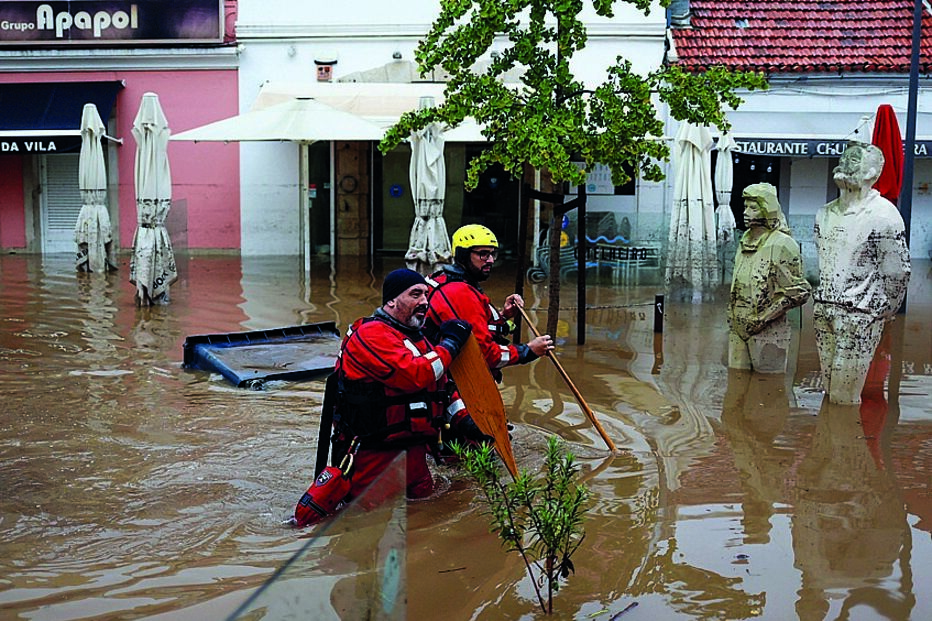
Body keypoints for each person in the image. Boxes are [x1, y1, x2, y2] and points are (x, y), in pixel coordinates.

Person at [329, 268, 487, 501]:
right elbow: (416, 375)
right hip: (374, 459)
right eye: (415, 294)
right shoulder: (370, 334)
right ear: (391, 300)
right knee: (368, 520)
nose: (424, 301)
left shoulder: (417, 338)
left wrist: (467, 422)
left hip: (414, 455)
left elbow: (442, 388)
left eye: (426, 294)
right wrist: (451, 344)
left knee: (425, 515)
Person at [813, 142, 910, 404]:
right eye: (843, 158)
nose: (844, 163)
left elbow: (897, 273)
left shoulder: (884, 216)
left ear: (871, 173)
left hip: (859, 314)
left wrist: (881, 312)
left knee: (844, 397)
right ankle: (830, 429)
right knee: (830, 391)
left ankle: (846, 430)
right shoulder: (824, 214)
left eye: (853, 160)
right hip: (824, 310)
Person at [425, 224, 553, 381]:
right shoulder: (459, 292)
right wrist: (528, 350)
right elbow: (485, 354)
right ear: (463, 255)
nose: (491, 260)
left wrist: (504, 316)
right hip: (456, 381)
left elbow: (472, 325)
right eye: (483, 254)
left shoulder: (443, 279)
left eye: (493, 254)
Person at [727, 183, 811, 373]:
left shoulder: (783, 244)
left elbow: (800, 292)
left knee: (769, 384)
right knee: (736, 380)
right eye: (745, 207)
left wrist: (763, 318)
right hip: (737, 327)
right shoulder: (744, 240)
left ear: (768, 210)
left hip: (769, 331)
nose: (746, 212)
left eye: (753, 208)